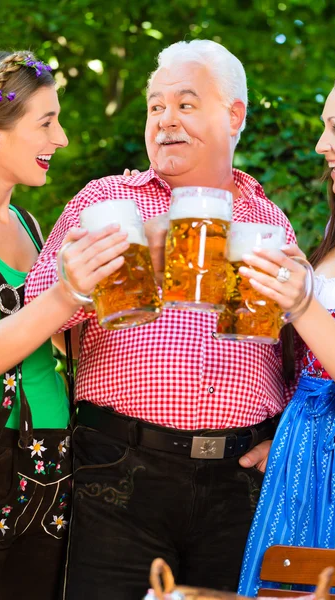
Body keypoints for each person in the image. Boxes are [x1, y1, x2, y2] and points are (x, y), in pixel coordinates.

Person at [25, 39, 307, 598]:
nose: (165, 121)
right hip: (117, 472)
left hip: (239, 482)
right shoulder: (104, 202)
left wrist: (286, 436)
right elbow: (38, 324)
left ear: (234, 115)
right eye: (156, 106)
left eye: (184, 104)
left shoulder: (268, 219)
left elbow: (296, 352)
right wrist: (73, 287)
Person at [237, 62, 335, 597]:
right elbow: (316, 363)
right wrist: (281, 430)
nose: (319, 144)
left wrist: (302, 304)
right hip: (300, 457)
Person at [0, 50, 132, 600]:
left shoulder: (29, 225)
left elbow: (53, 336)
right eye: (46, 122)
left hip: (53, 459)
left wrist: (129, 216)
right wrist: (66, 293)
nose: (63, 138)